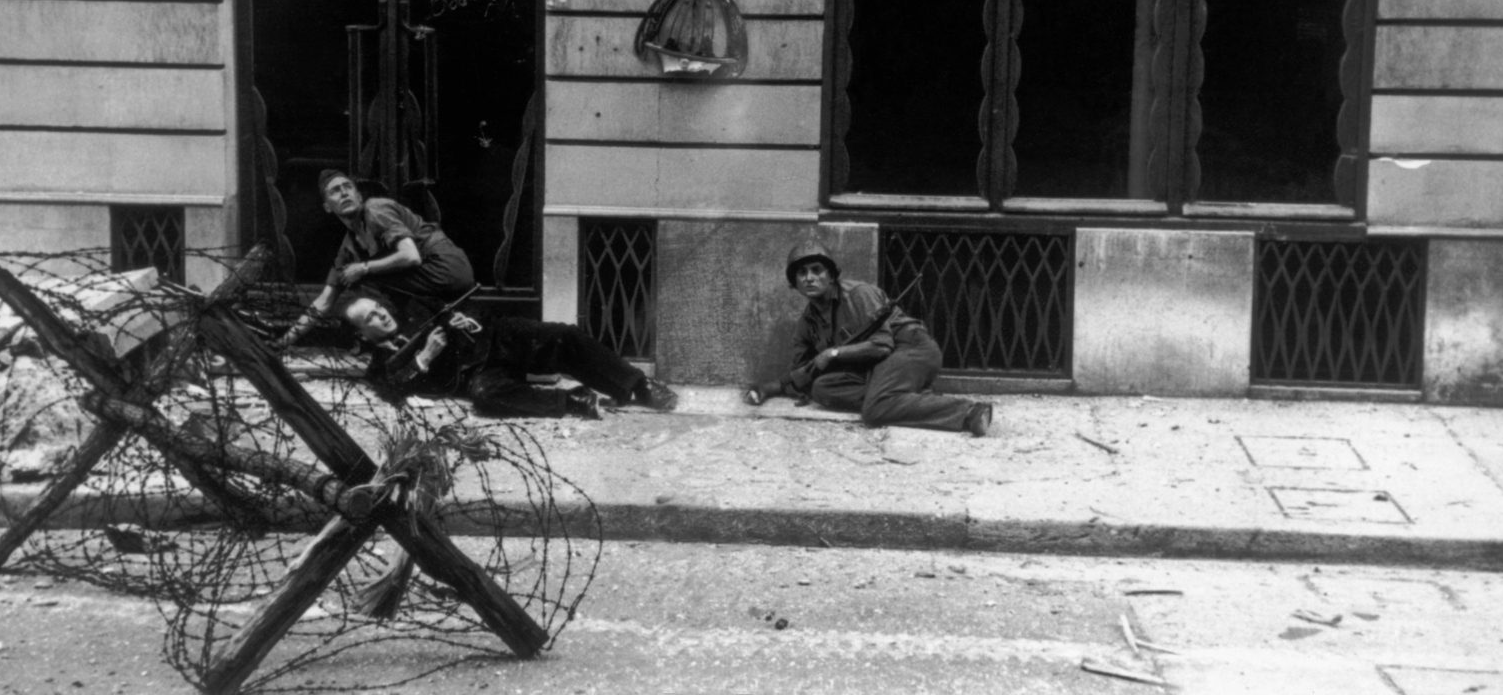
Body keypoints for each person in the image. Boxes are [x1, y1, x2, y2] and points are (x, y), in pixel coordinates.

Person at [745, 242, 993, 437]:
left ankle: (969, 413)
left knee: (874, 412)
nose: (809, 278)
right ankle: (910, 398)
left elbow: (883, 344)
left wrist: (833, 354)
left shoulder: (858, 295)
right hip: (873, 370)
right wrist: (768, 388)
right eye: (801, 273)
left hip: (909, 348)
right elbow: (802, 372)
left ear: (831, 276)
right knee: (822, 388)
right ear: (794, 283)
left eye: (816, 270)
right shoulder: (807, 324)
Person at [342, 293, 679, 420]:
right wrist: (424, 359)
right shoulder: (378, 366)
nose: (381, 315)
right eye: (369, 318)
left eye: (378, 308)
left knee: (563, 336)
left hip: (497, 337)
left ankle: (637, 385)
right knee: (486, 397)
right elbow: (392, 389)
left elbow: (469, 302)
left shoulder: (416, 307)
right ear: (361, 333)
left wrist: (467, 319)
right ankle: (573, 401)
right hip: (476, 374)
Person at [286, 169, 476, 342]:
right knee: (350, 275)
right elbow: (324, 301)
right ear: (327, 207)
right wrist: (285, 341)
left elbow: (411, 256)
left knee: (365, 277)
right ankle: (411, 336)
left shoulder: (376, 209)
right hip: (433, 281)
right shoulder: (349, 246)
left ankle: (401, 335)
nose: (344, 193)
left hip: (447, 268)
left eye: (348, 187)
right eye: (335, 191)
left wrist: (364, 268)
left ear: (359, 196)